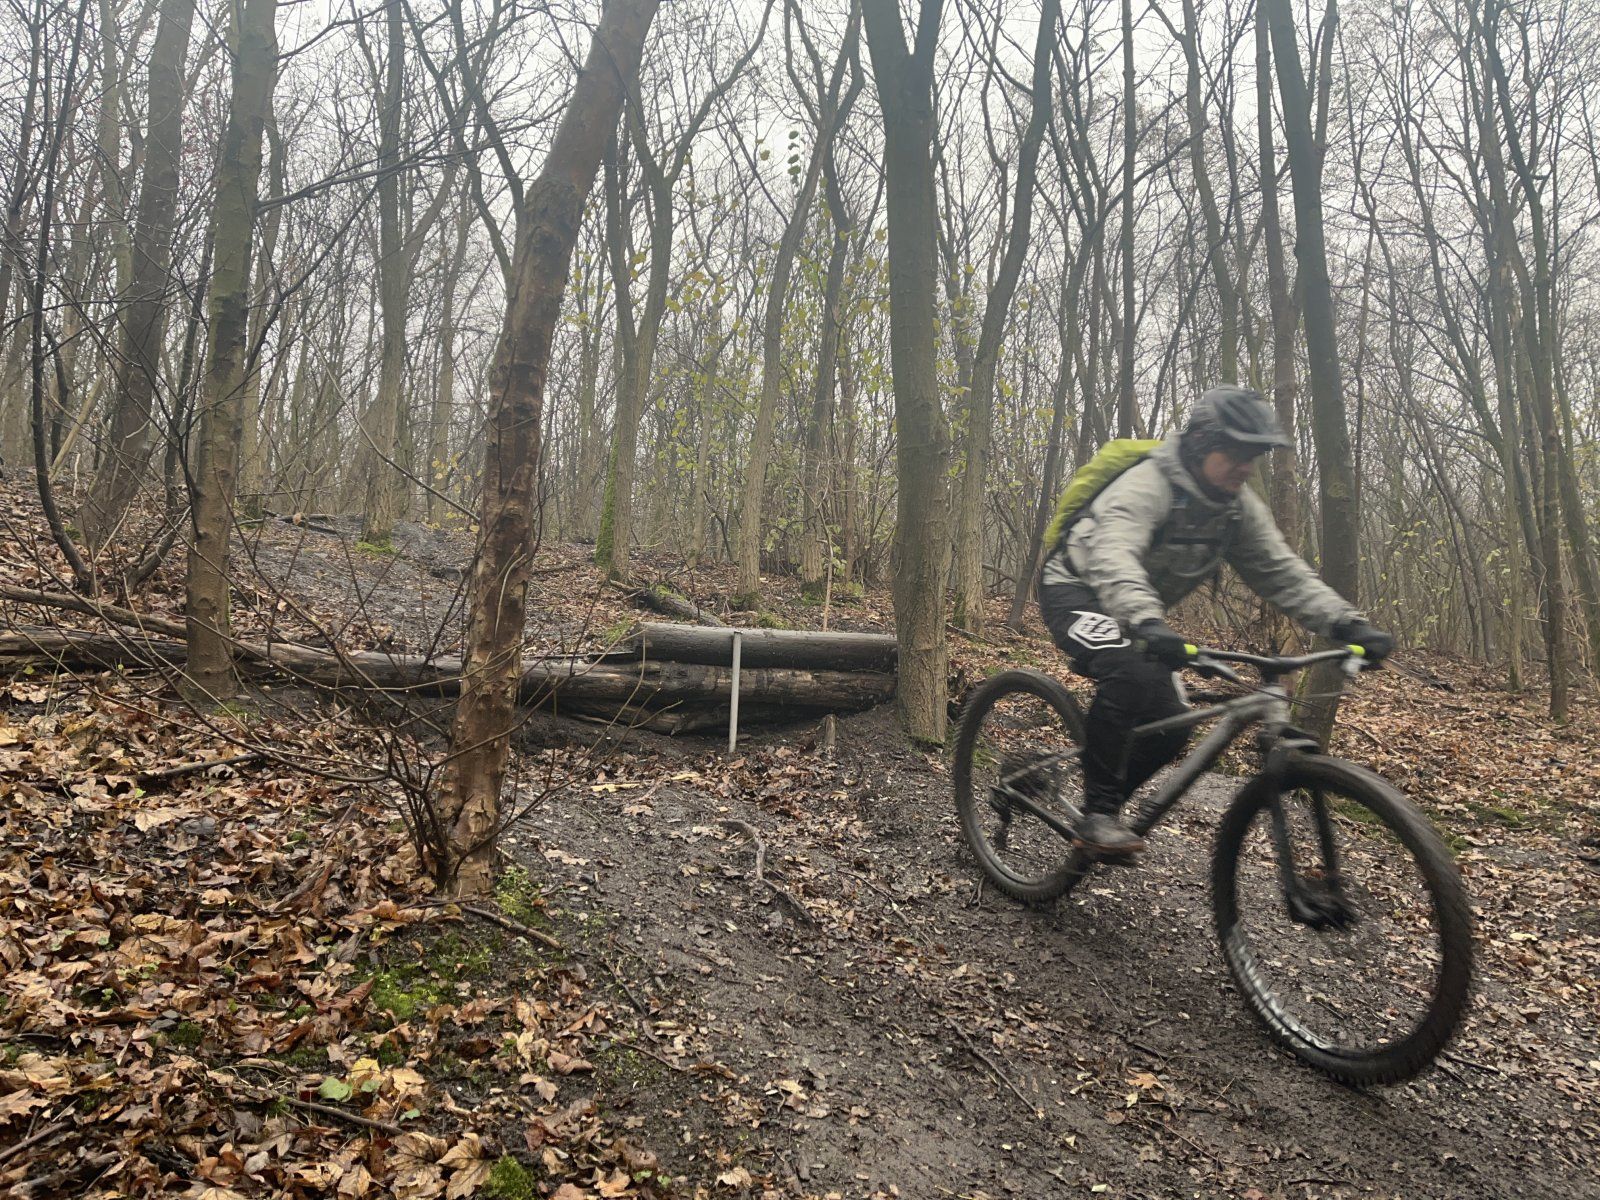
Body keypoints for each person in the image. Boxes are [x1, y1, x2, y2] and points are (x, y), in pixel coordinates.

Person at [1037, 385, 1394, 860]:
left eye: (1254, 456)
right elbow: (1113, 554)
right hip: (1077, 587)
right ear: (1202, 443)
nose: (1245, 467)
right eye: (1235, 452)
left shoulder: (1236, 508)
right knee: (1132, 674)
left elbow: (1281, 571)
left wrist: (1346, 623)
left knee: (1172, 726)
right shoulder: (1147, 484)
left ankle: (1102, 807)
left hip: (1137, 608)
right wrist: (1146, 621)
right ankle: (1098, 812)